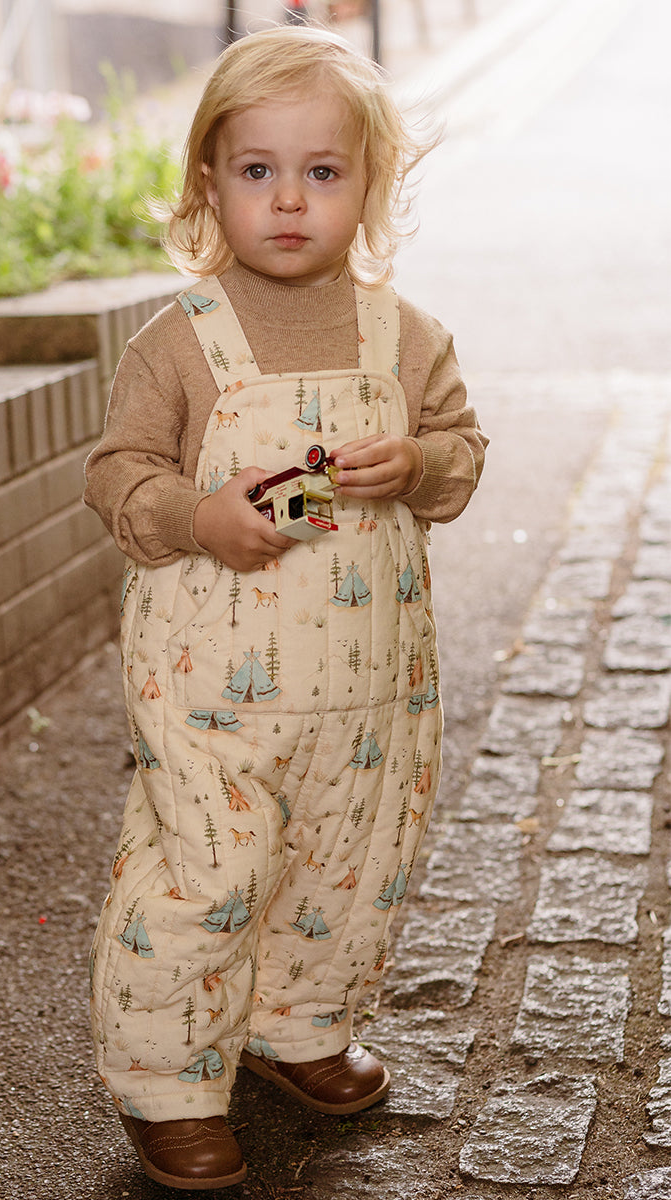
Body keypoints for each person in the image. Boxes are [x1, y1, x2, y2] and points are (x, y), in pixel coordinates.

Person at [84, 23, 486, 1190]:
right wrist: (195, 513)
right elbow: (118, 473)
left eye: (323, 171)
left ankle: (295, 1026)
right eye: (259, 170)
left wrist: (416, 463)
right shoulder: (181, 343)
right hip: (212, 686)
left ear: (371, 186)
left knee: (344, 864)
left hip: (367, 692)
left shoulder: (405, 338)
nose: (291, 200)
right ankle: (167, 1079)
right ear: (210, 180)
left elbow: (461, 456)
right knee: (208, 871)